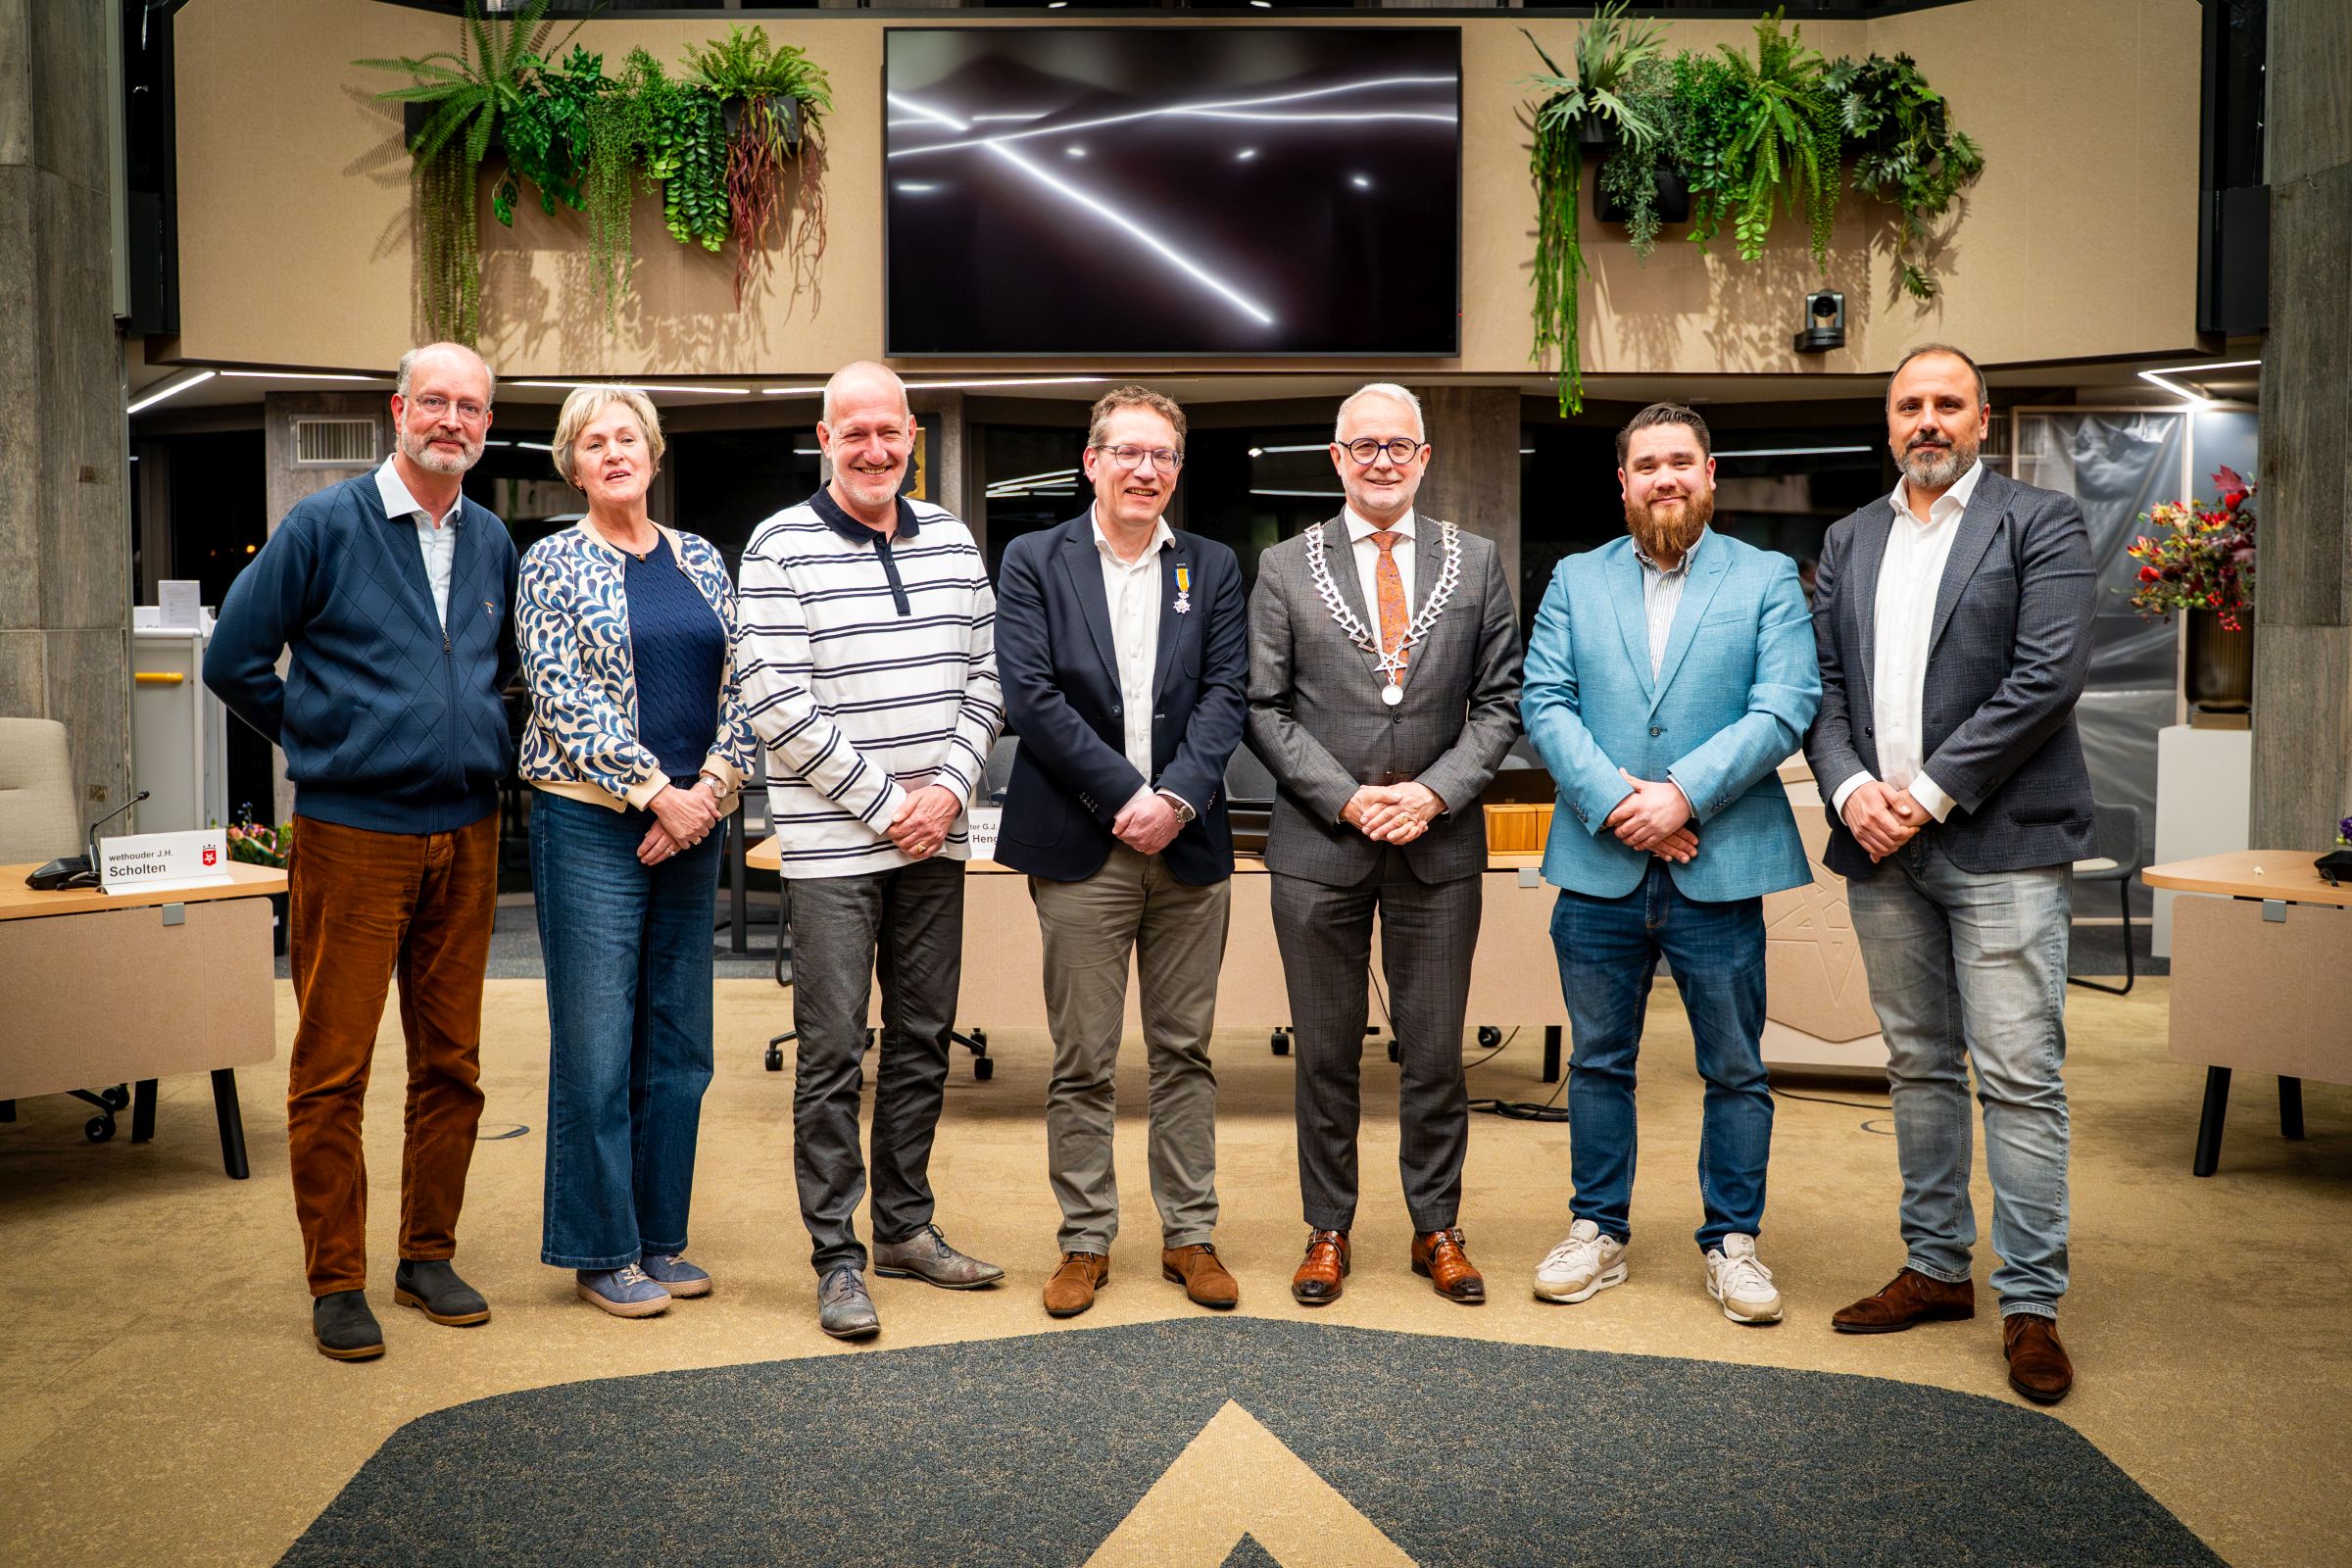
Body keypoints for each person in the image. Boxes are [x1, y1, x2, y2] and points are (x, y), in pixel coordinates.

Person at [204, 342, 516, 1361]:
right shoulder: (325, 524)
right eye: (436, 400)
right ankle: (336, 1277)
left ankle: (427, 1253)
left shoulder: (492, 539)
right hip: (353, 834)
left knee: (453, 1064)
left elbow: (489, 670)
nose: (454, 421)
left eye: (472, 406)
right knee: (333, 1065)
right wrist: (320, 736)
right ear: (398, 409)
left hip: (469, 832)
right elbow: (233, 657)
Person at [1807, 343, 2095, 1403]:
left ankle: (2032, 1302)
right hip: (1878, 848)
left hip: (2001, 840)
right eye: (1908, 406)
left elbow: (2045, 678)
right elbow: (1823, 687)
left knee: (2019, 1073)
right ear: (1889, 424)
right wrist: (1849, 793)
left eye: (1946, 404)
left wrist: (1922, 794)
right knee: (1920, 1064)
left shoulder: (2040, 521)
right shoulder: (1851, 536)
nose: (1926, 420)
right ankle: (1936, 1267)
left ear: (1984, 416)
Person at [1520, 402, 1821, 1325]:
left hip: (1720, 861)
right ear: (1622, 481)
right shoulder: (1576, 577)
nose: (1664, 478)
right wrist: (1619, 804)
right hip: (1598, 863)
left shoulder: (1766, 578)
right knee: (1601, 1062)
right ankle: (1597, 1230)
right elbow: (1545, 698)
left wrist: (1679, 796)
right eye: (1646, 464)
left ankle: (1734, 1243)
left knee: (1734, 1067)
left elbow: (1785, 705)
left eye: (1680, 462)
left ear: (1710, 472)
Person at [736, 362, 1006, 1341]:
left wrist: (945, 792)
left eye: (889, 432)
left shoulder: (954, 540)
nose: (874, 449)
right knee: (834, 1051)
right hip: (834, 849)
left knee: (926, 1040)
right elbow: (775, 704)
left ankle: (905, 1227)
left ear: (911, 437)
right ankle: (837, 1257)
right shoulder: (777, 546)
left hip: (936, 840)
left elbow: (988, 678)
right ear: (824, 436)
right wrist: (891, 803)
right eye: (854, 433)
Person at [1244, 383, 1523, 1307]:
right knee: (1325, 1053)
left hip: (1437, 850)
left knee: (1435, 1051)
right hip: (1320, 846)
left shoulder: (1476, 562)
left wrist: (1433, 794)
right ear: (1336, 459)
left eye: (1399, 445)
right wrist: (1349, 798)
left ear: (1425, 457)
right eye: (1362, 446)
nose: (1381, 461)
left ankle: (1436, 1227)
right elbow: (1263, 708)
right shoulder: (1285, 567)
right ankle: (1328, 1229)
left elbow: (1499, 704)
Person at [993, 385, 1250, 1319]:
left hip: (1188, 845)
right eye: (1129, 453)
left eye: (1164, 457)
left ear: (1178, 470)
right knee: (1083, 1058)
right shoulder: (1034, 559)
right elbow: (1030, 698)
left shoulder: (1213, 566)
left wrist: (1176, 798)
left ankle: (1190, 1234)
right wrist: (1127, 797)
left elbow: (1229, 694)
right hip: (1079, 844)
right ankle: (1085, 1241)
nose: (1148, 470)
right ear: (1092, 461)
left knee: (1185, 1050)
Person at [515, 385, 758, 1319]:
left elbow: (747, 682)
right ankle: (600, 1248)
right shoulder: (551, 561)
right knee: (597, 1044)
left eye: (627, 438)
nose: (613, 453)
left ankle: (660, 1238)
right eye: (592, 442)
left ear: (653, 454)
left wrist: (707, 796)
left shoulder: (699, 558)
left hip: (695, 819)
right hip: (590, 823)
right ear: (572, 465)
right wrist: (658, 791)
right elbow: (559, 696)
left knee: (680, 1045)